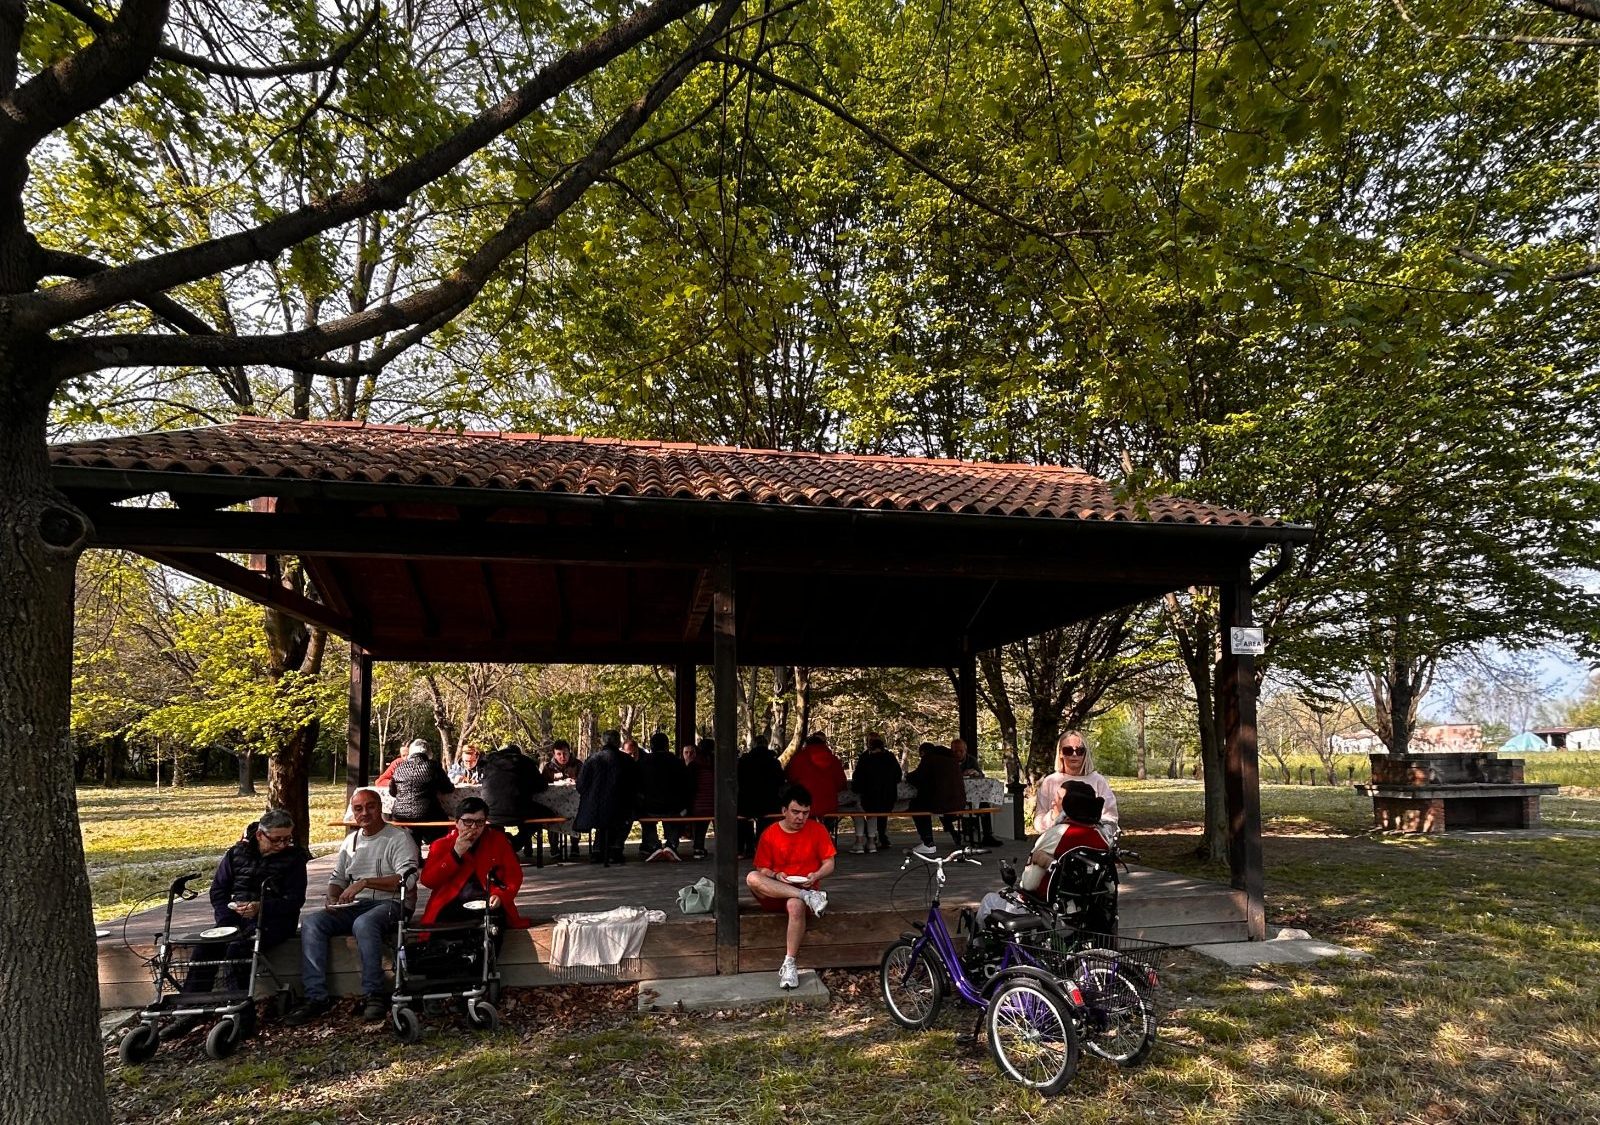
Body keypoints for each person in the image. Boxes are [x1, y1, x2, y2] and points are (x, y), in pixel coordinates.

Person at [162, 810, 309, 1039]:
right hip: (233, 918)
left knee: (238, 950)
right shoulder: (236, 853)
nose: (283, 844)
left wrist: (261, 907)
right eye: (277, 839)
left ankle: (241, 1014)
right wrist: (226, 918)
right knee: (205, 946)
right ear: (260, 835)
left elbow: (295, 900)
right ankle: (187, 1010)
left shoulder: (294, 858)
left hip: (275, 921)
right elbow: (218, 891)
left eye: (287, 838)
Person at [284, 788, 420, 1025]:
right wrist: (332, 897)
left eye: (370, 806)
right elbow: (337, 878)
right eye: (358, 808)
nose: (364, 813)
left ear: (380, 808)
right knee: (313, 923)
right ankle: (316, 996)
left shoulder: (399, 837)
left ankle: (374, 993)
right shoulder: (351, 841)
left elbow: (406, 880)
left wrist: (365, 882)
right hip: (356, 905)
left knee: (364, 923)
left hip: (393, 904)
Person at [745, 783, 836, 990]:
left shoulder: (818, 829)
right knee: (752, 877)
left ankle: (789, 963)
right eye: (795, 812)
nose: (800, 818)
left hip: (803, 889)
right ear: (784, 810)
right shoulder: (770, 833)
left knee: (796, 905)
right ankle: (808, 896)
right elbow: (762, 869)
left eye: (805, 813)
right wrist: (777, 875)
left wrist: (817, 875)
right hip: (775, 890)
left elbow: (829, 863)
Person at [417, 797, 531, 936]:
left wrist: (501, 896)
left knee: (488, 933)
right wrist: (455, 853)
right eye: (468, 822)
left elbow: (514, 875)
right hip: (451, 903)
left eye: (479, 822)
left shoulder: (497, 840)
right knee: (444, 935)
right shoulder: (442, 845)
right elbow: (428, 880)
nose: (473, 827)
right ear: (457, 823)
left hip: (487, 903)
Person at [1031, 730, 1120, 839]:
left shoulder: (1098, 781)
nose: (1074, 754)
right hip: (1055, 842)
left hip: (1090, 842)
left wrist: (1095, 832)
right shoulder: (1050, 782)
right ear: (1060, 754)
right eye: (1068, 750)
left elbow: (1111, 819)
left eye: (1079, 751)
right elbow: (1038, 822)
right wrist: (1054, 814)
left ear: (1085, 753)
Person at [480, 742, 551, 861]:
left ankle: (503, 843)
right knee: (543, 816)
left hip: (490, 810)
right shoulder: (526, 762)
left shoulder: (489, 763)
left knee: (499, 820)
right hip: (518, 809)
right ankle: (514, 844)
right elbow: (542, 786)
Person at [575, 730, 637, 865]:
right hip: (621, 808)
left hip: (594, 809)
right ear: (618, 742)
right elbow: (636, 785)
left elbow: (580, 785)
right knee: (625, 814)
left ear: (602, 742)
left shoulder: (592, 759)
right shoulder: (628, 760)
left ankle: (598, 850)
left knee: (603, 819)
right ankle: (616, 848)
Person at [389, 738, 454, 847]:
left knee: (412, 830)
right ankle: (435, 854)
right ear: (428, 752)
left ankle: (414, 855)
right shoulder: (433, 766)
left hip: (400, 815)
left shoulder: (399, 768)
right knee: (442, 824)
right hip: (427, 813)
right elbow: (448, 788)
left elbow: (392, 792)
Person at [906, 741, 965, 855]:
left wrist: (908, 776)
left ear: (923, 752)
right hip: (958, 802)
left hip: (941, 803)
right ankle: (952, 833)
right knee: (938, 805)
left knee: (917, 806)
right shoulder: (952, 760)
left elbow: (918, 778)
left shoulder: (929, 759)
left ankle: (928, 842)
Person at [637, 731, 688, 860]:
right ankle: (671, 844)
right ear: (667, 745)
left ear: (651, 746)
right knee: (677, 815)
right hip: (673, 807)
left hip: (649, 807)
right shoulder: (677, 762)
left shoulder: (643, 762)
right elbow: (685, 784)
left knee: (643, 817)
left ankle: (654, 845)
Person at [785, 732, 847, 836]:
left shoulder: (799, 758)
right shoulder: (833, 759)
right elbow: (841, 782)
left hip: (804, 802)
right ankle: (825, 836)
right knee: (828, 821)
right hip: (829, 802)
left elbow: (791, 778)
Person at [736, 733, 786, 859]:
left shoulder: (744, 761)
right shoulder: (773, 762)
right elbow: (780, 780)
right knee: (766, 824)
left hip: (746, 800)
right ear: (766, 745)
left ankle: (742, 849)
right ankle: (762, 847)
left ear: (753, 745)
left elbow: (737, 779)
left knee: (743, 822)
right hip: (769, 801)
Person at [849, 732, 901, 853]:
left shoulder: (865, 759)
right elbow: (898, 776)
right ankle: (875, 839)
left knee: (860, 811)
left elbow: (858, 780)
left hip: (869, 799)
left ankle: (862, 841)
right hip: (888, 798)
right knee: (877, 812)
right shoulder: (890, 757)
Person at [955, 737, 1004, 848]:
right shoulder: (948, 761)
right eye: (955, 751)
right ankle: (964, 832)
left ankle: (987, 836)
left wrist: (976, 773)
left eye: (961, 751)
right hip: (955, 795)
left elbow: (981, 776)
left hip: (973, 794)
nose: (958, 753)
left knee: (984, 804)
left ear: (965, 750)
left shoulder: (971, 760)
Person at [685, 736, 717, 859]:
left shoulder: (694, 765)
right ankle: (723, 849)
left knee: (699, 827)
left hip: (699, 805)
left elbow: (689, 787)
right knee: (720, 827)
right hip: (717, 803)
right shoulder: (717, 763)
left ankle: (698, 848)